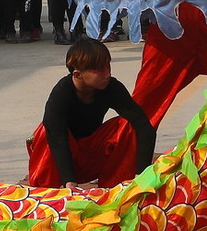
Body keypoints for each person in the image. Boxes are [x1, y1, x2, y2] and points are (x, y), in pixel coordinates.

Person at [26, 39, 156, 190]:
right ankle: (46, 188)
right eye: (99, 70)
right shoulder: (61, 94)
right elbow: (57, 139)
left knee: (127, 124)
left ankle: (116, 186)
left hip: (92, 156)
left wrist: (141, 174)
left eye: (108, 66)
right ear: (78, 75)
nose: (107, 74)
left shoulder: (112, 87)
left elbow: (143, 126)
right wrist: (69, 182)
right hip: (62, 161)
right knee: (46, 130)